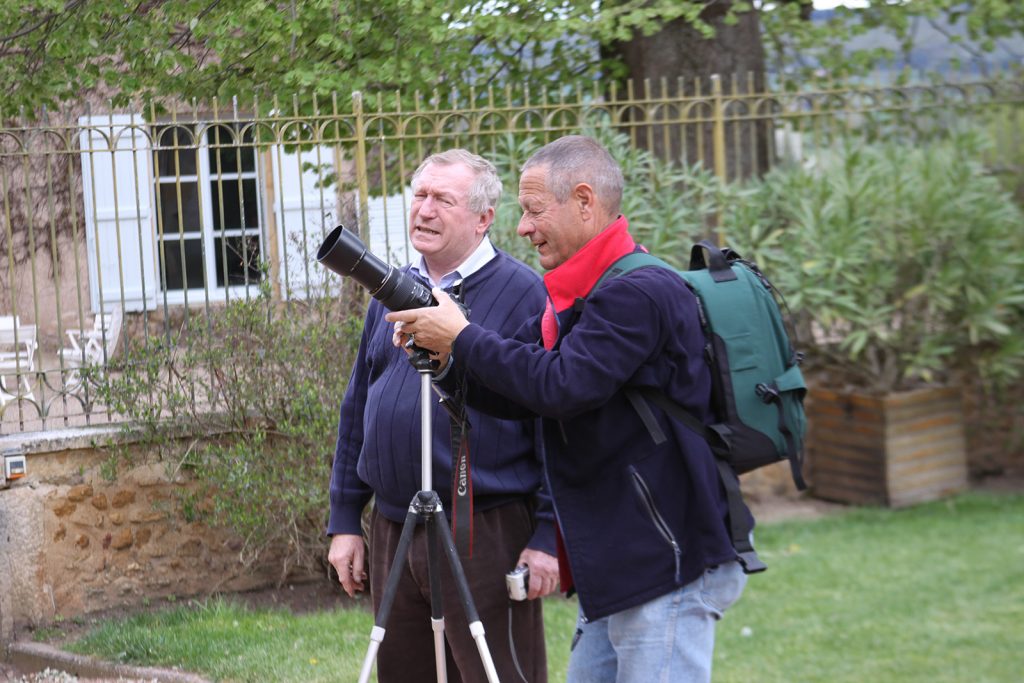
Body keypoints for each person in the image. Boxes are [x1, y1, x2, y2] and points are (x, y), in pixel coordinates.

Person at [387, 135, 750, 683]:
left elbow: (562, 386)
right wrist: (441, 361)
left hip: (667, 561)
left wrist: (460, 335)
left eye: (534, 210)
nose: (524, 227)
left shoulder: (640, 292)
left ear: (584, 201)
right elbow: (523, 393)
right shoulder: (579, 298)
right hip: (618, 565)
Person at [326, 149, 559, 682]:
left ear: (483, 218)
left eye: (442, 200)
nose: (424, 210)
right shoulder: (390, 291)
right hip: (394, 523)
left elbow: (552, 421)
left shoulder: (525, 294)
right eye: (420, 196)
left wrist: (546, 537)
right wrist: (345, 521)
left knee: (492, 672)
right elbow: (358, 407)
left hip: (483, 526)